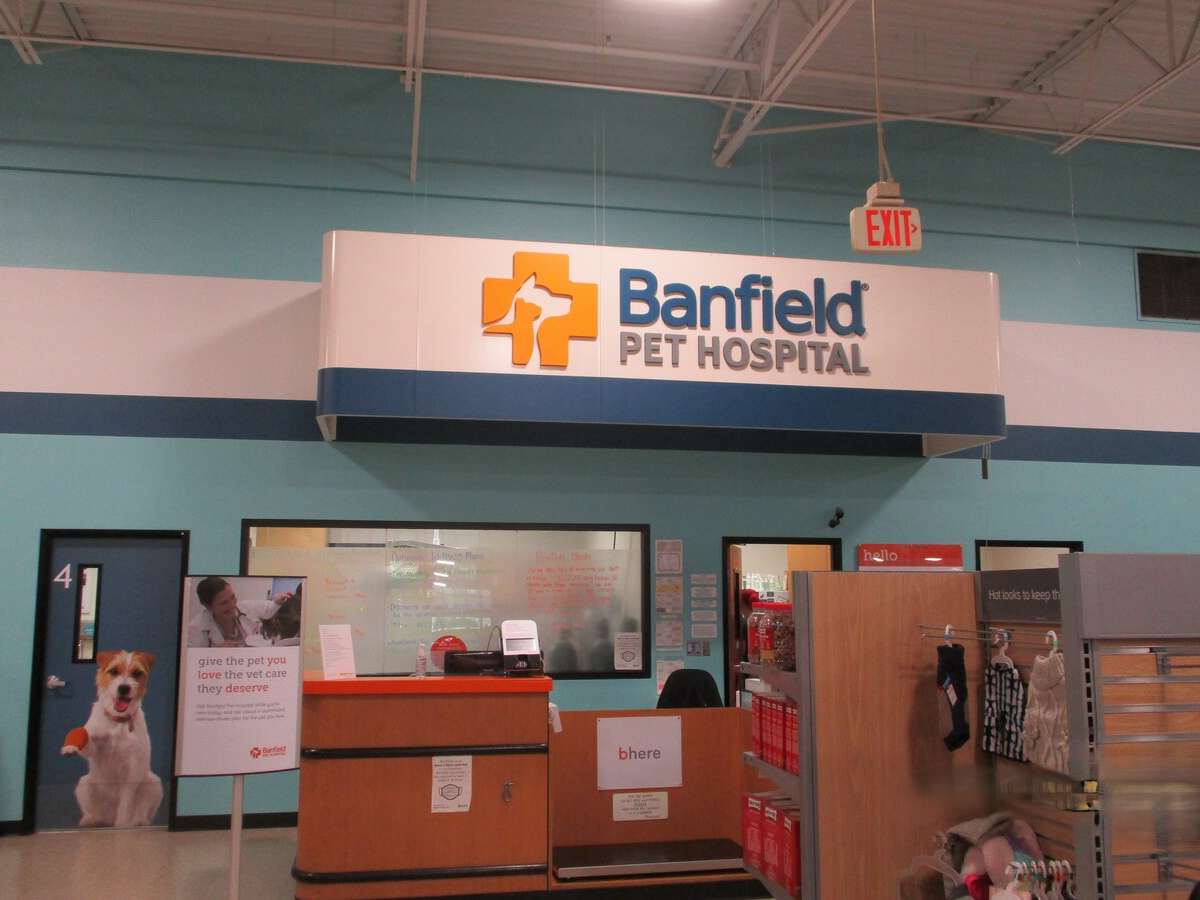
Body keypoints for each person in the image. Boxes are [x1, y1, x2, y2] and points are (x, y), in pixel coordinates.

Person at [187, 576, 290, 648]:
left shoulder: (245, 607)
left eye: (233, 597)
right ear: (208, 606)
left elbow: (268, 609)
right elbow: (192, 663)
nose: (232, 605)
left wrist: (277, 602)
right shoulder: (195, 629)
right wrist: (215, 654)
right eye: (224, 603)